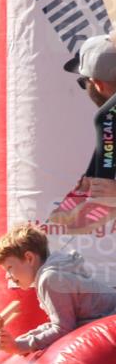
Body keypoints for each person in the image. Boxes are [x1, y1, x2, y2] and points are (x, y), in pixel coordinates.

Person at [0, 223, 116, 354]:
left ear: (29, 258)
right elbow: (59, 323)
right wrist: (25, 338)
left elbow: (63, 329)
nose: (7, 276)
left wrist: (20, 346)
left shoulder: (50, 279)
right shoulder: (52, 273)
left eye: (9, 268)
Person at [50, 34, 116, 233]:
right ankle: (93, 191)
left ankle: (102, 198)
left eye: (83, 82)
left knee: (104, 118)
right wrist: (91, 179)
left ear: (98, 84)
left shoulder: (109, 119)